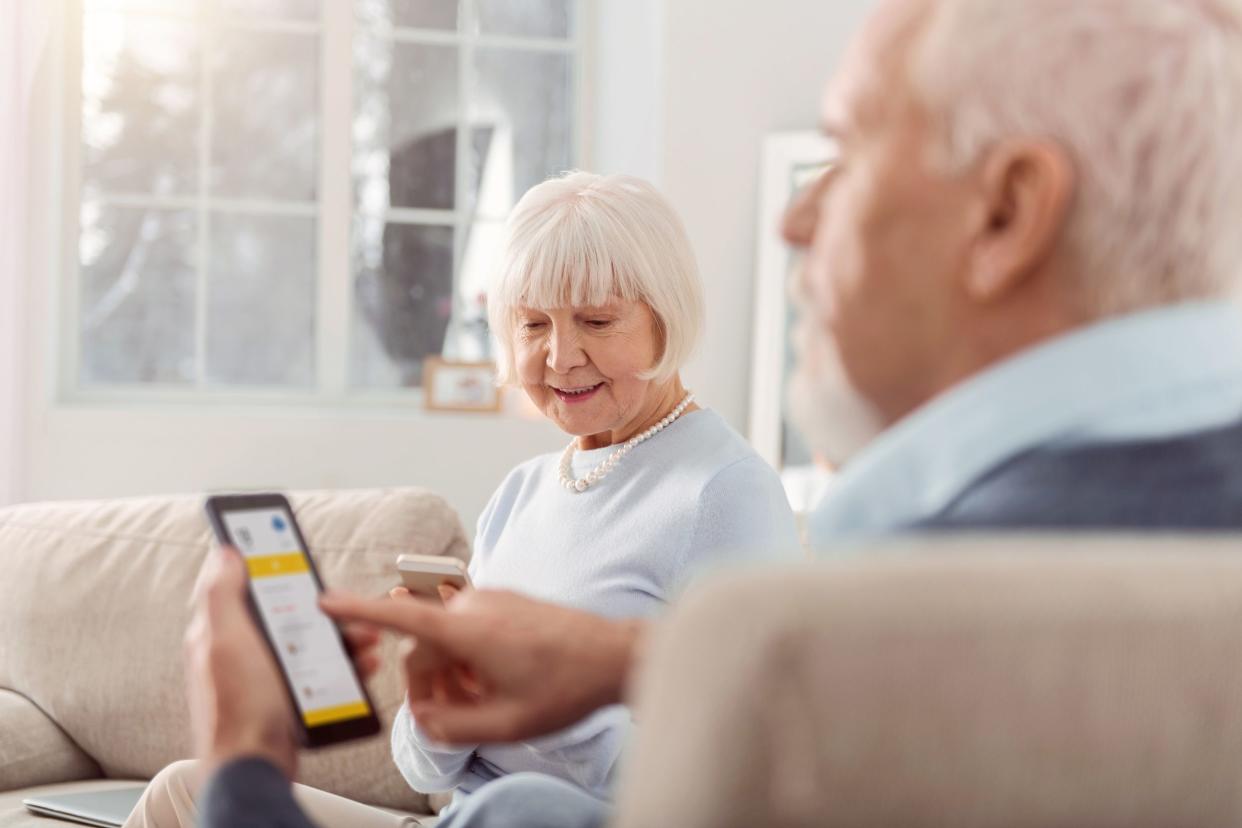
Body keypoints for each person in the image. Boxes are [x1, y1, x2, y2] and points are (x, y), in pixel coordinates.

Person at [188, 0, 1242, 824]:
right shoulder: (1051, 542)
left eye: (852, 150)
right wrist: (616, 667)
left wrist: (247, 756)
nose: (792, 217)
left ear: (1007, 212)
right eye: (533, 324)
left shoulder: (932, 569)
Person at [129, 171, 799, 828]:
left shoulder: (725, 490)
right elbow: (423, 774)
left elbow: (748, 782)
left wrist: (554, 698)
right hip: (464, 818)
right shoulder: (524, 491)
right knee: (183, 792)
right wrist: (442, 706)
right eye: (534, 324)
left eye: (596, 320)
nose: (561, 356)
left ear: (667, 315)